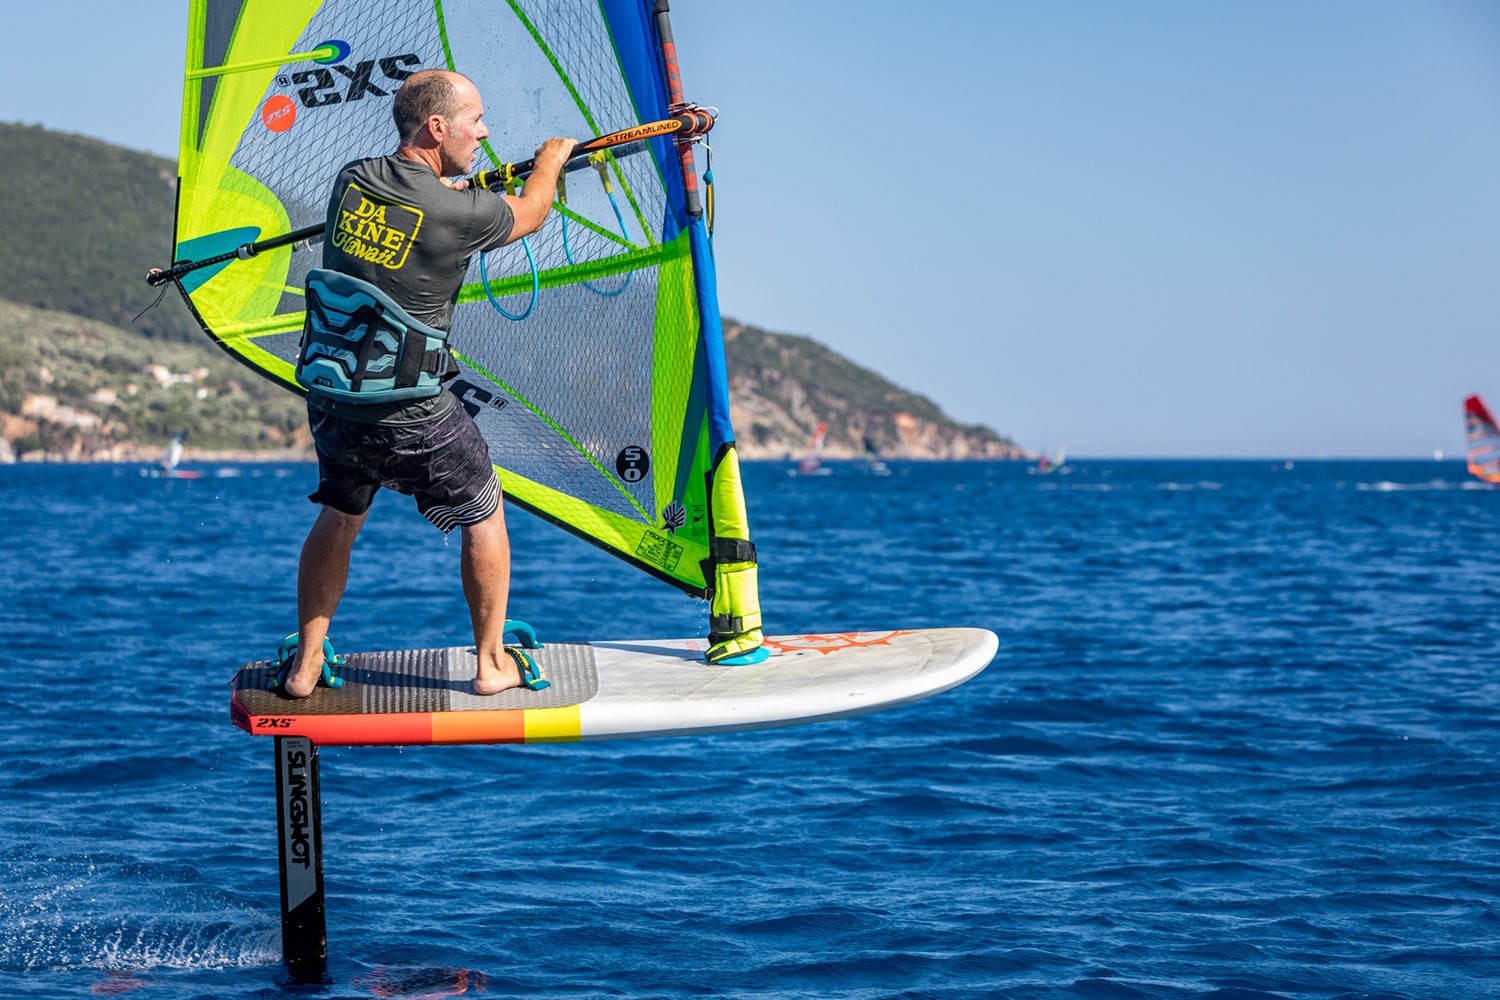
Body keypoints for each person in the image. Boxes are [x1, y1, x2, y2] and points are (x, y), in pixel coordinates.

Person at [273, 68, 574, 699]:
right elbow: (534, 211)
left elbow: (417, 205)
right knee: (484, 511)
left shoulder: (352, 180)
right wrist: (550, 160)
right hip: (411, 409)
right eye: (475, 120)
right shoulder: (456, 212)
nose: (485, 132)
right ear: (437, 126)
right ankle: (492, 664)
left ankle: (305, 665)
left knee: (339, 513)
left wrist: (451, 185)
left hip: (336, 401)